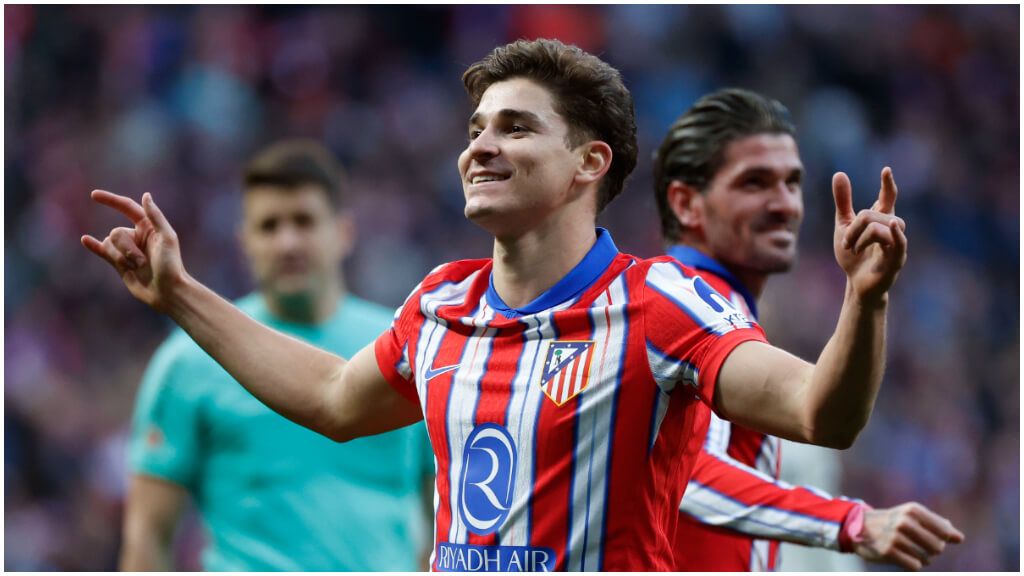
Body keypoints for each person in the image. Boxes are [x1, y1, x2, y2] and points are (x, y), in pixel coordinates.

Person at [82, 39, 952, 571]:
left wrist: (865, 301)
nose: (480, 147)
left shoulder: (661, 305)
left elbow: (820, 414)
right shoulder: (441, 302)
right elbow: (333, 399)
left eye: (515, 127)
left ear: (588, 164)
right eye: (476, 130)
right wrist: (179, 293)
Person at [654, 88, 964, 571]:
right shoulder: (681, 307)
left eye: (792, 182)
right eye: (755, 183)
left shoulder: (717, 310)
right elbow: (687, 473)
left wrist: (867, 297)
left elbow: (831, 422)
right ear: (687, 203)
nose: (785, 204)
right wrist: (849, 521)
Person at [118, 140, 433, 571]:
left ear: (344, 232)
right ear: (244, 242)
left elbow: (443, 519)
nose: (288, 243)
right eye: (269, 226)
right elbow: (148, 537)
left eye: (304, 221)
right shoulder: (188, 362)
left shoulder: (407, 351)